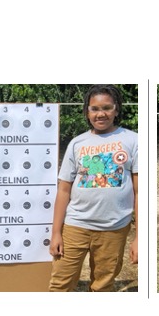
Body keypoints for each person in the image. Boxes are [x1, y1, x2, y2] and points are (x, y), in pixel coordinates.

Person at [48, 84, 138, 291]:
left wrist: (139, 237)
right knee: (60, 284)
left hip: (113, 229)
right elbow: (63, 190)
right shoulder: (77, 143)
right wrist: (56, 233)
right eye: (94, 108)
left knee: (103, 286)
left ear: (116, 109)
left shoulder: (133, 140)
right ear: (87, 111)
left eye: (107, 107)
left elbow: (139, 191)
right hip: (75, 226)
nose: (101, 114)